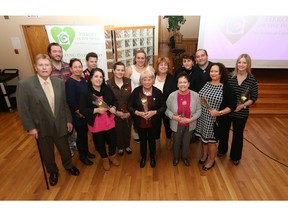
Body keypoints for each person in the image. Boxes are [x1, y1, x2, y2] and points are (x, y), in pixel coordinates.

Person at [16, 54, 80, 187]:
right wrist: (31, 127)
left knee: (65, 149)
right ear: (35, 67)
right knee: (47, 152)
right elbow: (23, 109)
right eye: (41, 65)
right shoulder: (25, 85)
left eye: (47, 65)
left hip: (60, 123)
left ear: (51, 68)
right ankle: (53, 171)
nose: (44, 68)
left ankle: (68, 165)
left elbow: (64, 104)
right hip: (41, 126)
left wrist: (69, 120)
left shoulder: (60, 83)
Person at [218, 54, 258, 165]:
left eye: (244, 62)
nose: (241, 65)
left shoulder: (252, 79)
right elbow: (223, 92)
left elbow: (254, 97)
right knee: (224, 132)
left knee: (238, 134)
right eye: (239, 62)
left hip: (241, 112)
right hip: (227, 110)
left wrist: (242, 105)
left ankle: (235, 156)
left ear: (248, 64)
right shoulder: (230, 76)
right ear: (236, 63)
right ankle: (222, 150)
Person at [195, 62, 236, 171]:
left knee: (211, 141)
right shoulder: (206, 83)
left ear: (221, 73)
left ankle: (211, 160)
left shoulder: (226, 88)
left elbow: (232, 105)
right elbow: (200, 97)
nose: (213, 73)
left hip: (214, 121)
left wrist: (219, 113)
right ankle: (204, 155)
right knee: (203, 139)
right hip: (202, 117)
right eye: (211, 71)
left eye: (215, 71)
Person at [79, 68, 119, 171]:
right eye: (96, 76)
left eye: (101, 77)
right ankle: (105, 158)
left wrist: (114, 107)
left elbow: (114, 101)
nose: (99, 79)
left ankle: (112, 155)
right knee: (100, 142)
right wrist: (96, 110)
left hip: (109, 119)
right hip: (96, 122)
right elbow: (83, 110)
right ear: (91, 78)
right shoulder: (85, 92)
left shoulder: (107, 88)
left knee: (113, 141)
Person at [128, 70, 166, 168]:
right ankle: (143, 157)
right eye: (144, 79)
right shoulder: (136, 92)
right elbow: (130, 106)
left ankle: (152, 157)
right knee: (143, 141)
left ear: (153, 80)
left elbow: (163, 107)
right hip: (140, 122)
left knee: (152, 141)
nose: (147, 82)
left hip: (153, 122)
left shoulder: (158, 92)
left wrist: (154, 112)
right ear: (141, 80)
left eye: (149, 79)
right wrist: (138, 113)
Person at [165, 72, 202, 166]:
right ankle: (176, 157)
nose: (182, 84)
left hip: (189, 124)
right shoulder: (172, 96)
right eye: (180, 82)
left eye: (185, 82)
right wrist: (174, 117)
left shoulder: (195, 95)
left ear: (188, 84)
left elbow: (199, 110)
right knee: (176, 141)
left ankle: (185, 157)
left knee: (186, 142)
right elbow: (166, 110)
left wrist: (190, 119)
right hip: (176, 123)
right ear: (177, 84)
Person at [47, 42, 76, 155]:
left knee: (71, 124)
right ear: (49, 53)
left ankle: (73, 142)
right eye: (55, 51)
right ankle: (67, 147)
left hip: (70, 101)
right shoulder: (48, 69)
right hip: (57, 104)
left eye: (59, 51)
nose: (58, 54)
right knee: (62, 127)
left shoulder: (68, 66)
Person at [65, 58, 96, 166]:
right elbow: (71, 100)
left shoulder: (82, 80)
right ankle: (82, 156)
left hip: (85, 113)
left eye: (80, 67)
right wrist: (80, 112)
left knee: (85, 135)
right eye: (75, 67)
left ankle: (87, 152)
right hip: (78, 115)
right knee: (80, 136)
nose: (78, 69)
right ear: (70, 69)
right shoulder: (70, 82)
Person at [125, 50, 155, 143]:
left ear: (145, 59)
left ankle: (150, 134)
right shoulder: (130, 69)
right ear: (135, 58)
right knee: (137, 118)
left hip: (148, 96)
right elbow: (126, 85)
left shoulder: (151, 68)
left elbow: (153, 83)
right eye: (138, 58)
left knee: (149, 116)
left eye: (143, 58)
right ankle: (137, 134)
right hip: (135, 98)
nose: (140, 60)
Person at [107, 62, 133, 156]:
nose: (120, 72)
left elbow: (133, 98)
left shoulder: (129, 82)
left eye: (122, 70)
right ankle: (120, 147)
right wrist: (116, 112)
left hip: (128, 113)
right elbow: (107, 101)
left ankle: (127, 145)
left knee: (127, 129)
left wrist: (130, 112)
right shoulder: (108, 84)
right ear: (113, 71)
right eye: (118, 70)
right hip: (115, 113)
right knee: (118, 131)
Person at [153, 57, 177, 149]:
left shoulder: (172, 79)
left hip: (168, 108)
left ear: (168, 66)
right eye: (161, 64)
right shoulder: (152, 76)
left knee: (168, 126)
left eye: (165, 64)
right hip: (155, 108)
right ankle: (157, 141)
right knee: (155, 126)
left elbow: (174, 94)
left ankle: (169, 141)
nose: (163, 66)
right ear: (157, 66)